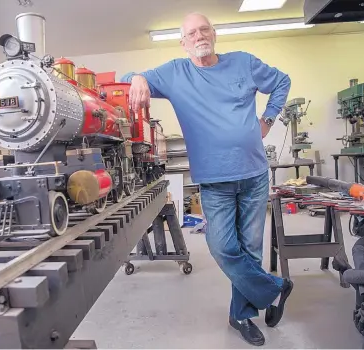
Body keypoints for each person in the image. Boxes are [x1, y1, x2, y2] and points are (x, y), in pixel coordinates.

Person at [120, 12, 294, 346]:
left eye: (204, 29)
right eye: (191, 33)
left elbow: (282, 82)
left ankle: (241, 315)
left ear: (213, 34)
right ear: (183, 42)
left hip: (255, 173)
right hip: (215, 181)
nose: (199, 36)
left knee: (250, 250)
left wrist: (268, 119)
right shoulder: (174, 72)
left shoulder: (243, 62)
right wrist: (139, 77)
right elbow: (128, 79)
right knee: (223, 247)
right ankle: (275, 289)